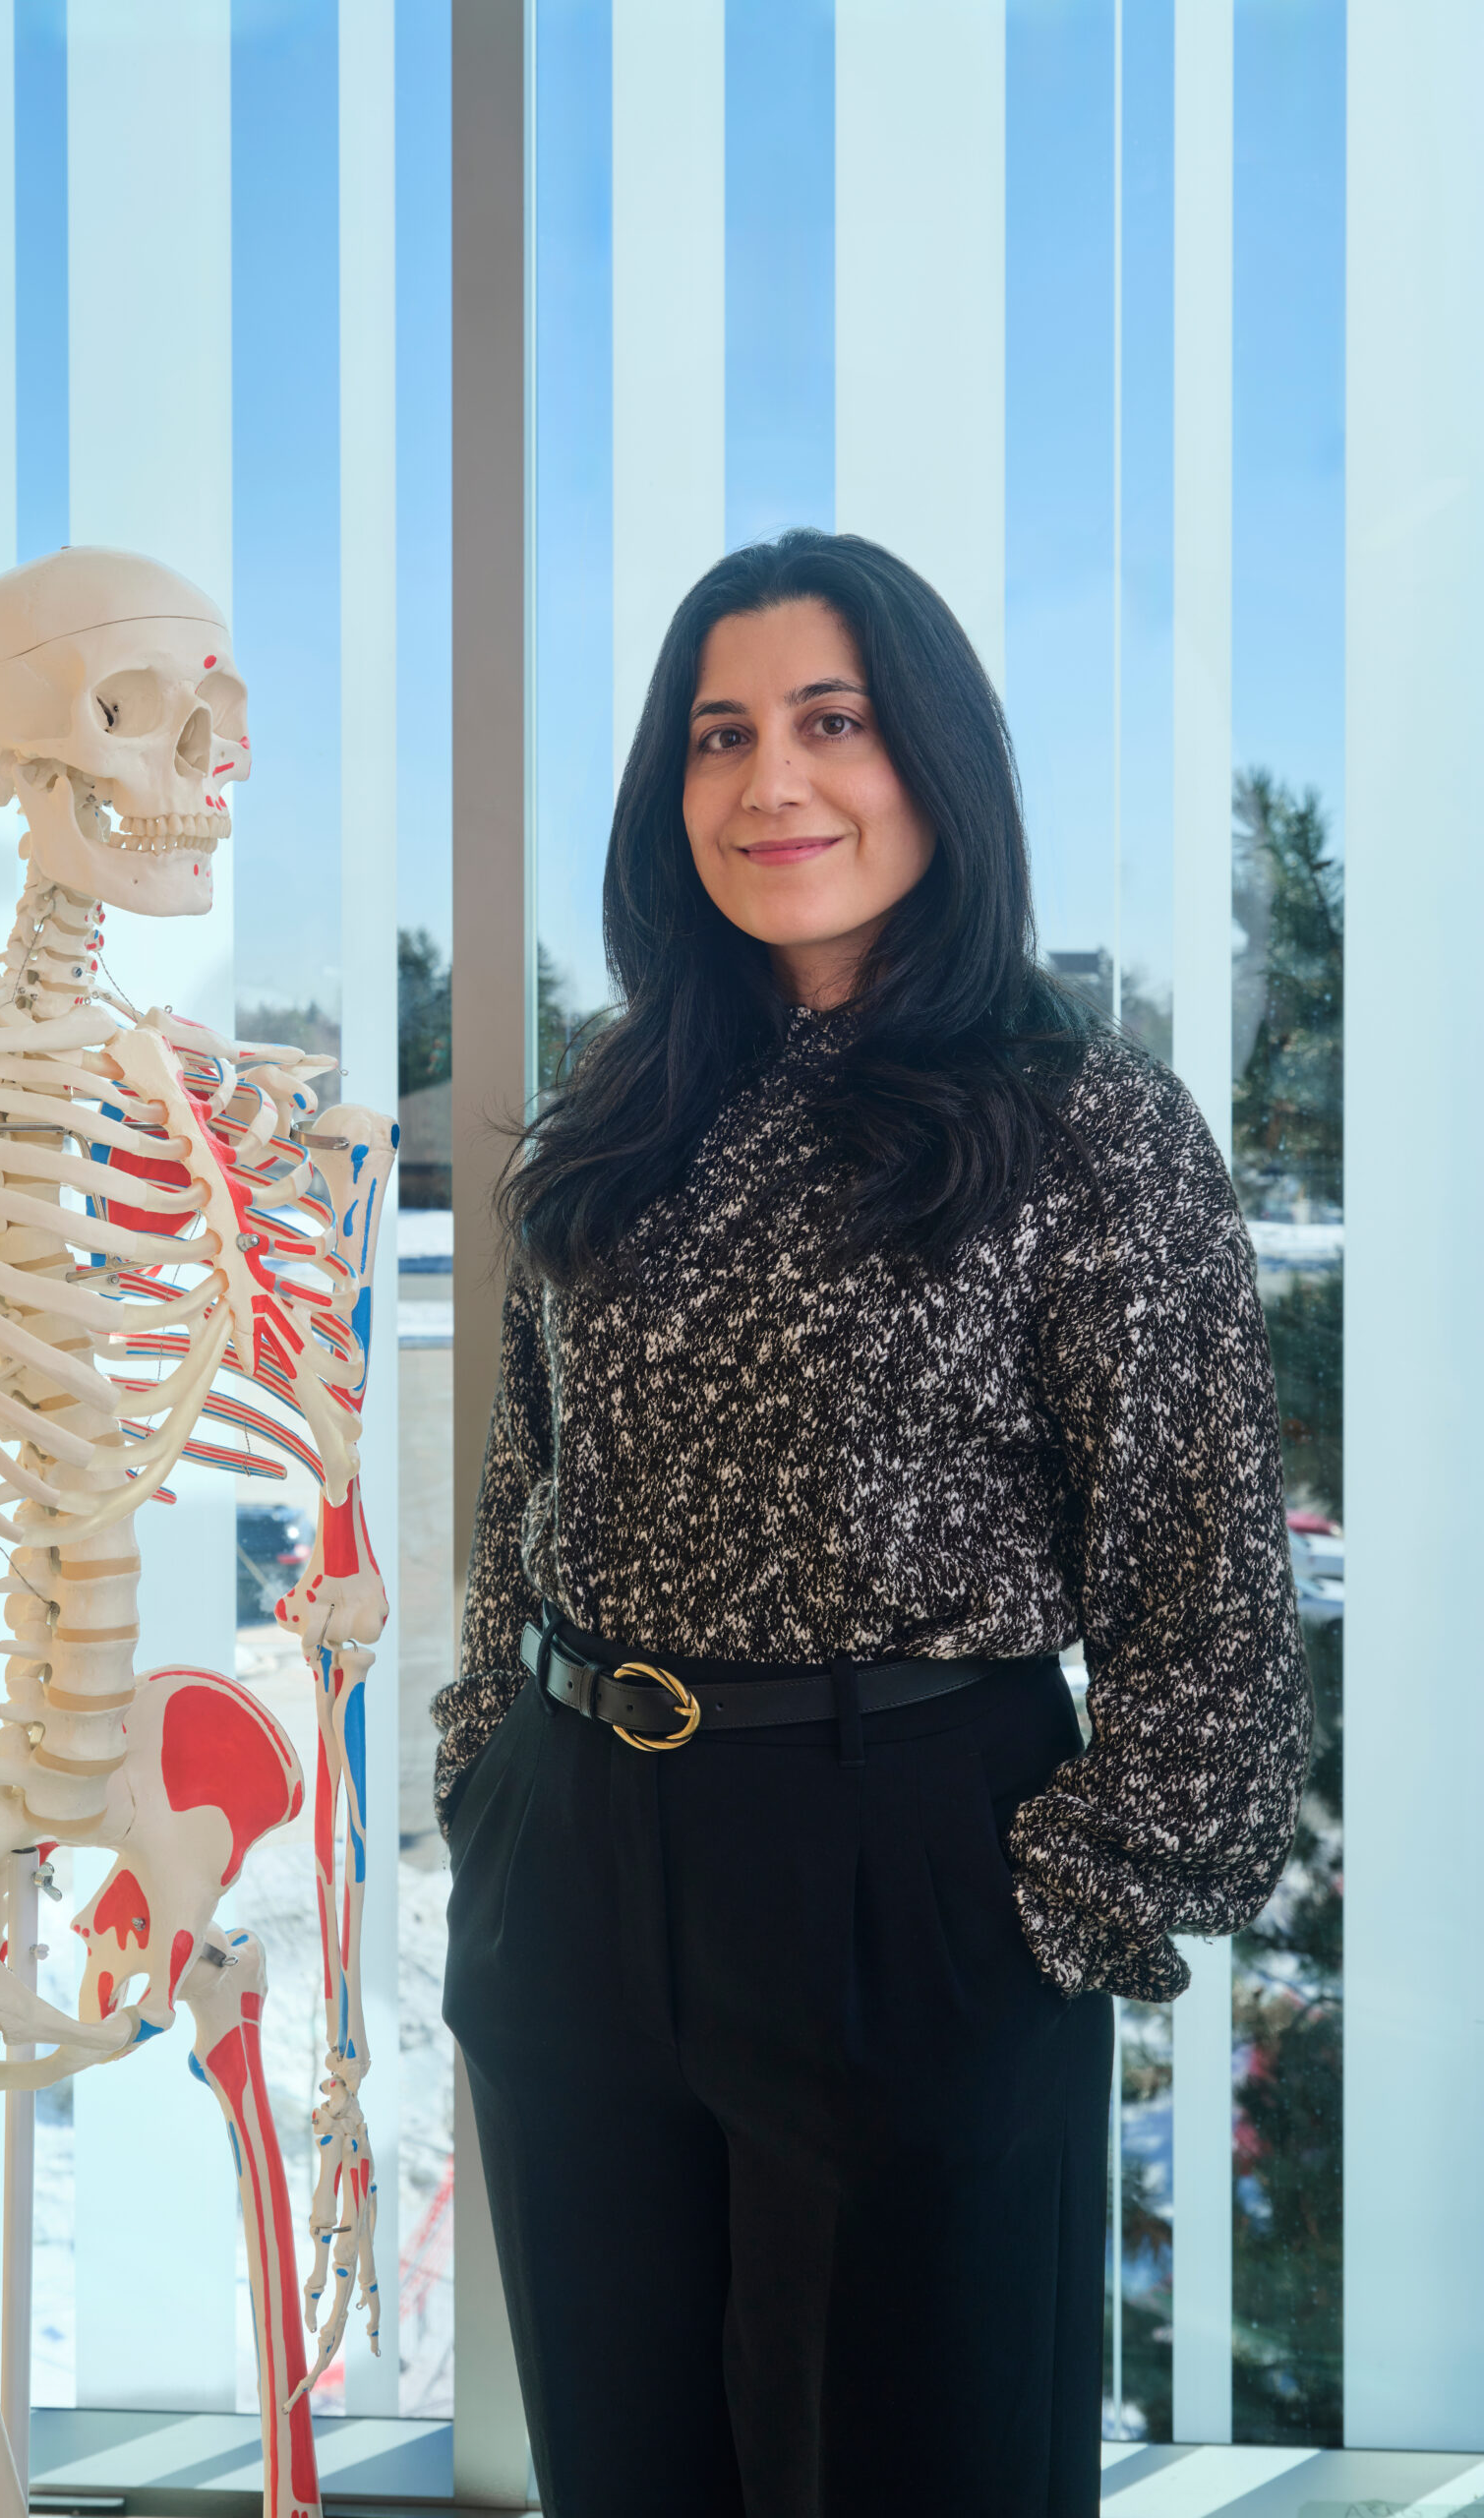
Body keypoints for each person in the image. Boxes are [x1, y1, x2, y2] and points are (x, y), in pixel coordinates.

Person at [436, 529, 1310, 2518]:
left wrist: (1058, 1905)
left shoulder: (1083, 1118)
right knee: (625, 2464)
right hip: (579, 1853)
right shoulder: (616, 1106)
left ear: (934, 759)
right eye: (720, 733)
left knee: (922, 2468)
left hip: (910, 1857)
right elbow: (526, 1479)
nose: (774, 784)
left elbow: (1203, 1592)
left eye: (832, 722)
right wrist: (494, 1760)